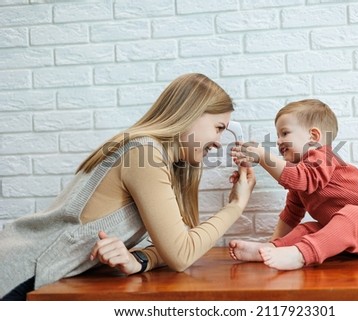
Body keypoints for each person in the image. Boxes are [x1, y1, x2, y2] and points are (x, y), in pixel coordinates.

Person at [0, 73, 256, 300]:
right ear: (190, 115)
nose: (220, 142)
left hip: (47, 277)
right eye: (218, 128)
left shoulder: (159, 158)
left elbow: (174, 245)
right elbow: (181, 254)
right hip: (23, 273)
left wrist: (139, 260)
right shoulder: (144, 153)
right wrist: (236, 205)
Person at [229, 99, 358, 270]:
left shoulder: (324, 156)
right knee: (308, 229)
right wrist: (273, 243)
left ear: (313, 137)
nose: (278, 141)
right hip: (352, 242)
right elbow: (291, 214)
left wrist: (262, 155)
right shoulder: (302, 176)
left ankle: (301, 255)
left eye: (285, 133)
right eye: (277, 135)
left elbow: (300, 177)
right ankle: (269, 249)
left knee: (352, 214)